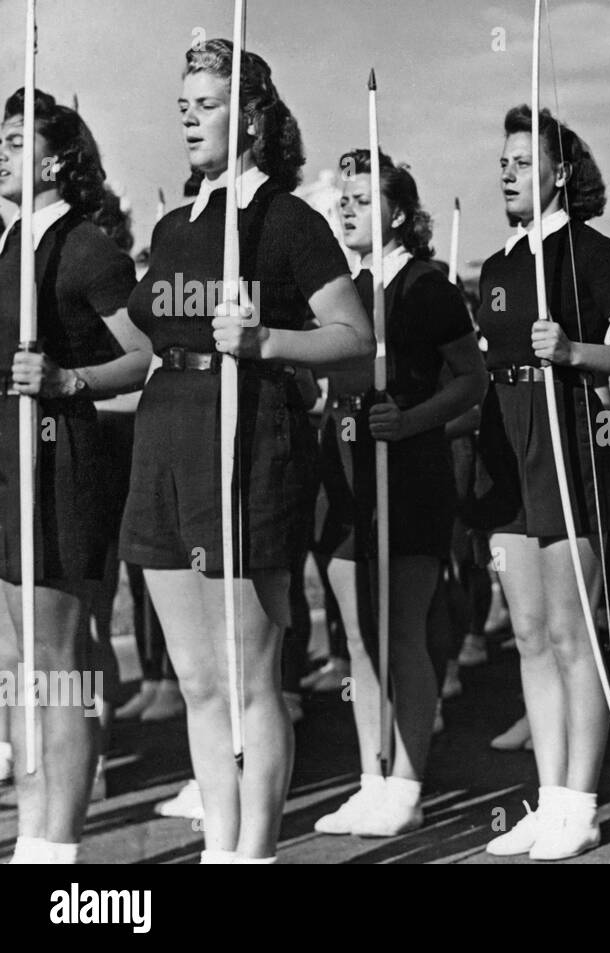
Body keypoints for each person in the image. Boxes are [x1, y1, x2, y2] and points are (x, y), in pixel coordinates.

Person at [117, 40, 373, 864]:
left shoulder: (288, 221)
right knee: (198, 681)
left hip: (247, 440)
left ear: (252, 117)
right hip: (167, 438)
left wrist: (265, 338)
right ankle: (217, 843)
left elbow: (355, 341)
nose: (189, 115)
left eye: (209, 102)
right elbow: (135, 341)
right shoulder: (172, 225)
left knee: (248, 678)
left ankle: (253, 851)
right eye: (183, 102)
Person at [473, 105, 610, 860]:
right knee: (527, 633)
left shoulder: (593, 253)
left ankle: (581, 800)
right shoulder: (497, 265)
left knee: (571, 628)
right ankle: (549, 796)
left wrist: (577, 350)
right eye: (504, 159)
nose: (507, 172)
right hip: (506, 440)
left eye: (523, 160)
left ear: (560, 172)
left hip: (566, 435)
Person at [312, 150, 486, 837]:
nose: (348, 208)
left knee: (403, 630)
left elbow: (471, 381)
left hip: (411, 472)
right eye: (343, 198)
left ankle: (408, 783)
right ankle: (371, 775)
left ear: (398, 212)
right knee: (358, 635)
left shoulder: (428, 286)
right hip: (346, 471)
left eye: (362, 197)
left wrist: (411, 419)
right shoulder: (338, 291)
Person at [0, 89, 152, 863]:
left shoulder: (86, 246)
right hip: (9, 456)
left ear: (58, 160)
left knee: (54, 664)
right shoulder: (9, 244)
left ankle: (56, 838)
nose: (3, 148)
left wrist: (66, 381)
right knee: (19, 663)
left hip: (62, 459)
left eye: (20, 139)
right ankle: (35, 816)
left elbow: (141, 356)